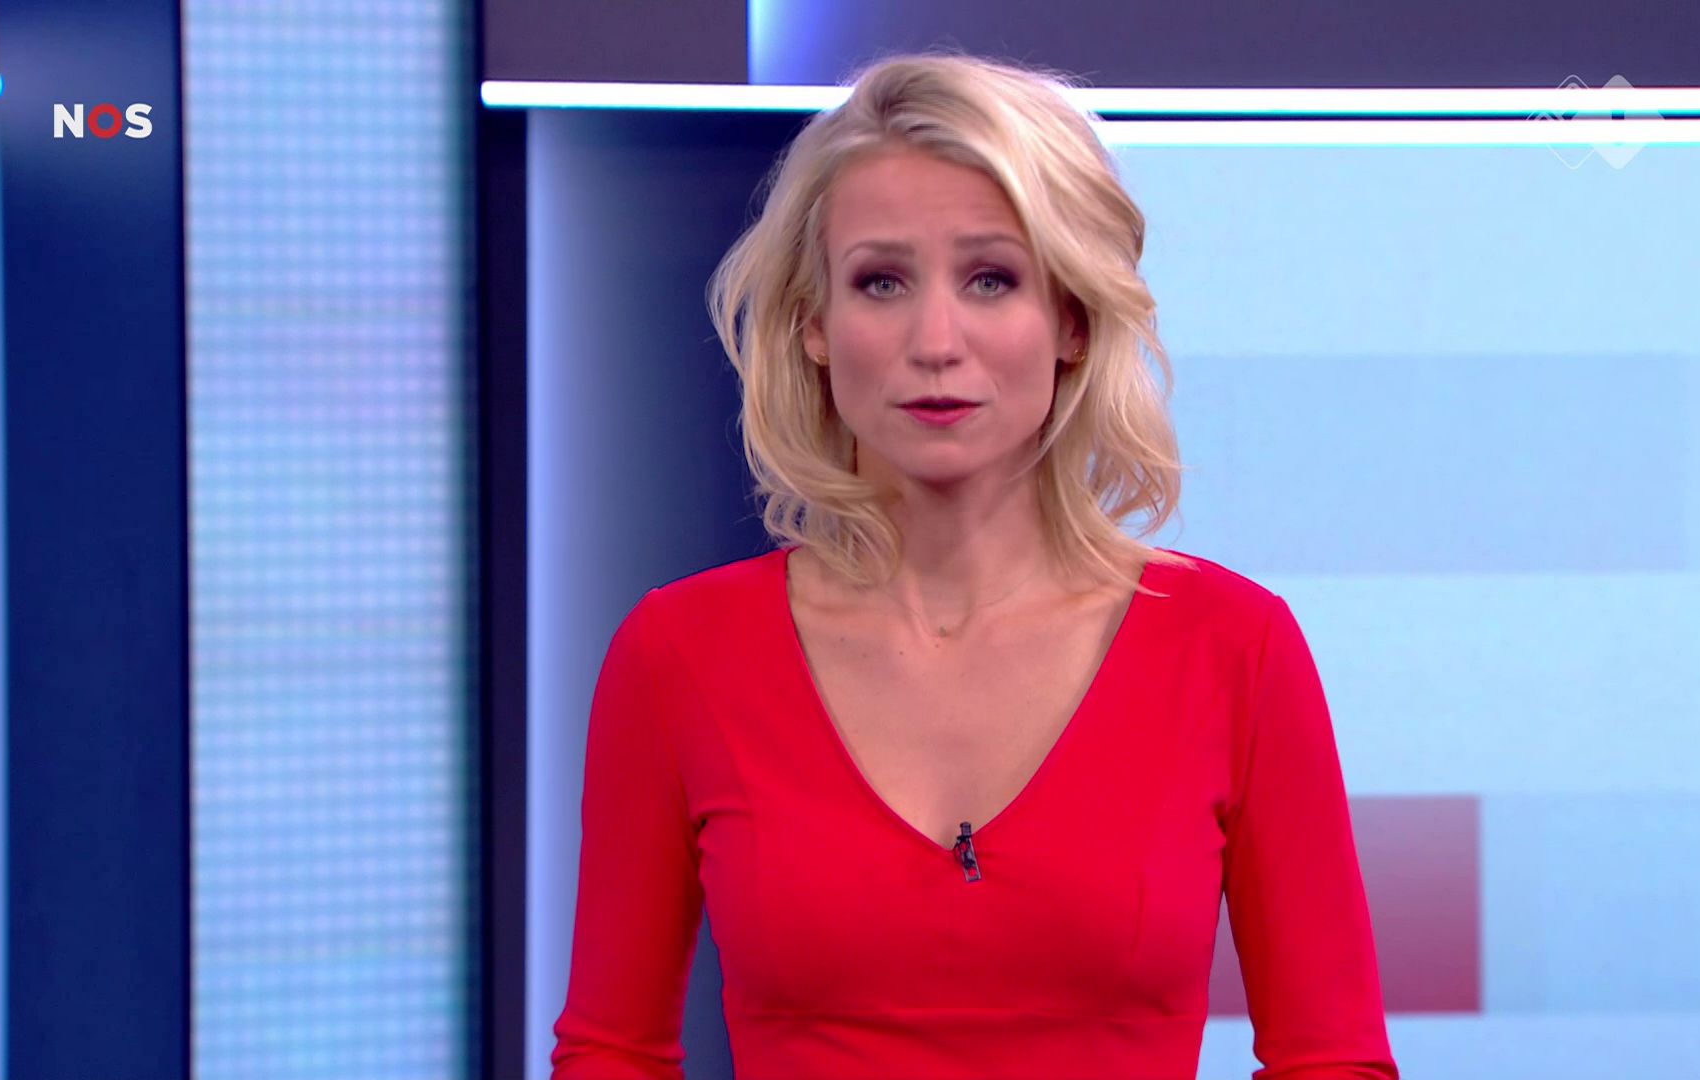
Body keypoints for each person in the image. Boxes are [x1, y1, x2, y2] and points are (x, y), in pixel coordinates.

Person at [551, 52, 1398, 1080]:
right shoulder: (679, 653)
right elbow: (611, 1052)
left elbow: (1331, 1058)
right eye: (882, 282)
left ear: (1072, 320)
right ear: (815, 325)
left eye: (991, 279)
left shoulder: (1233, 647)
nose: (936, 341)